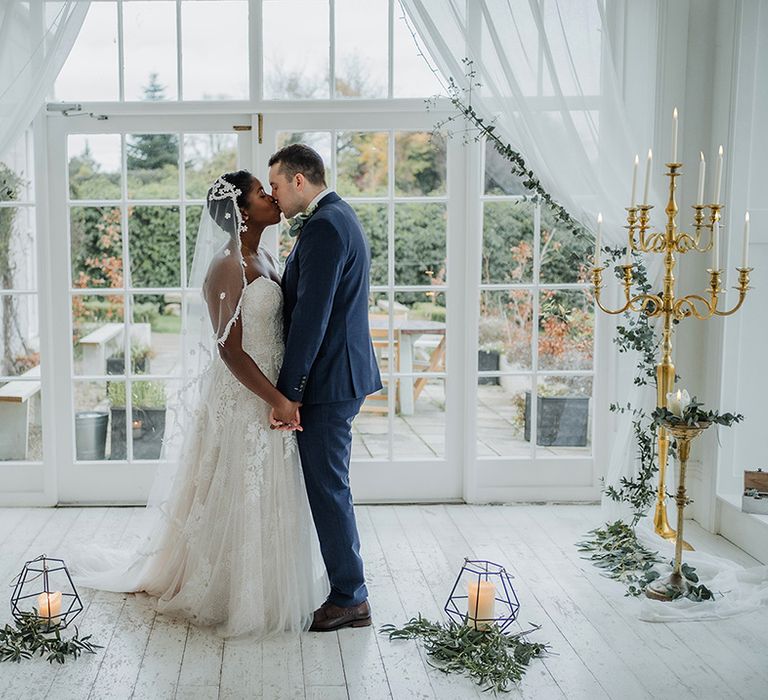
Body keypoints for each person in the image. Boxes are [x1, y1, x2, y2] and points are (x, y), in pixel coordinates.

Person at [69, 171, 327, 639]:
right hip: (245, 394)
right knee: (235, 488)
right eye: (261, 192)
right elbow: (229, 349)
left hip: (274, 392)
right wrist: (276, 399)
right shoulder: (227, 265)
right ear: (244, 212)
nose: (272, 197)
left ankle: (268, 583)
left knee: (269, 487)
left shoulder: (266, 254)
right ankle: (232, 590)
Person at [268, 144, 382, 631]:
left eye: (275, 184)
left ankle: (350, 596)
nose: (273, 195)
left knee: (328, 487)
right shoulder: (337, 218)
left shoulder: (325, 227)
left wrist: (288, 391)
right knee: (329, 485)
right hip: (339, 375)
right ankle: (346, 588)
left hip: (330, 381)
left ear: (298, 180)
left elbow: (311, 320)